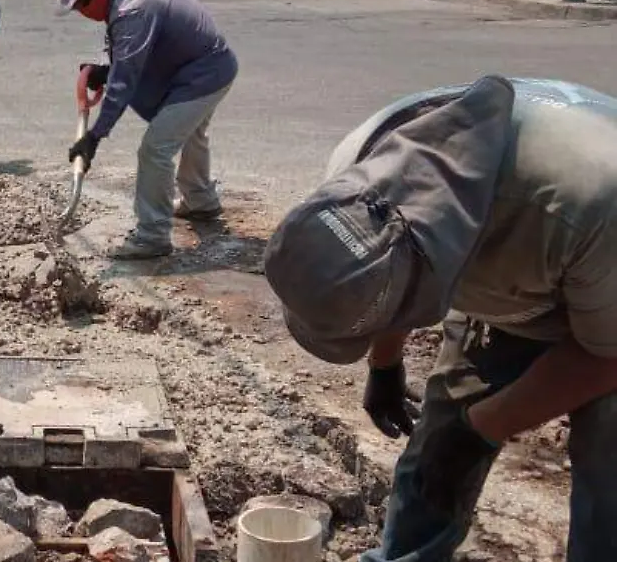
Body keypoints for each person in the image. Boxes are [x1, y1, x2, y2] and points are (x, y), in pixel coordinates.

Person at [262, 75, 617, 562]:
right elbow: (387, 268)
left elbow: (606, 357)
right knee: (438, 448)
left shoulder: (584, 205)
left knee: (607, 467)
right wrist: (385, 366)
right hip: (533, 265)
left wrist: (487, 425)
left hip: (598, 262)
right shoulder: (357, 166)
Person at [54, 0, 238, 260]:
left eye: (85, 0)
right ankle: (201, 201)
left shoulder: (133, 7)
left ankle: (152, 235)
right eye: (77, 6)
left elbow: (123, 82)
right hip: (193, 66)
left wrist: (95, 136)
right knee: (190, 133)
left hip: (206, 73)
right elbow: (120, 45)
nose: (83, 11)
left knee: (156, 148)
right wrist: (104, 67)